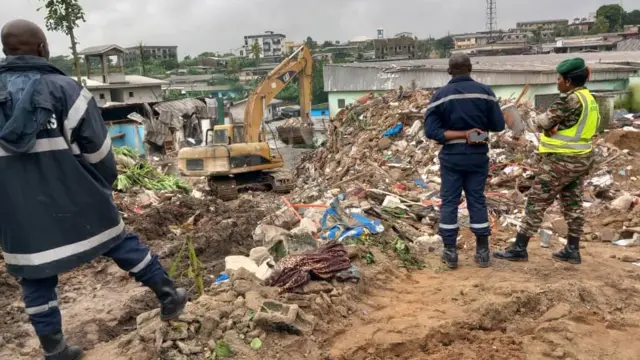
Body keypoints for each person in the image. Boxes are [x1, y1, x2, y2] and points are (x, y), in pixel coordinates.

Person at [0, 20, 188, 360]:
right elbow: (99, 151)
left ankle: (55, 349)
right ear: (42, 49)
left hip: (17, 210)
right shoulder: (66, 90)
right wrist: (102, 184)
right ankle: (169, 295)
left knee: (35, 275)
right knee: (117, 241)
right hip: (75, 194)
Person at [494, 58, 598, 265]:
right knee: (573, 203)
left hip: (562, 160)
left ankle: (519, 247)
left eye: (559, 79)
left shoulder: (570, 99)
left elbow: (544, 121)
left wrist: (533, 122)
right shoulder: (589, 99)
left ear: (568, 81)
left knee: (536, 201)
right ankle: (572, 249)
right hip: (581, 159)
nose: (557, 82)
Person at [425, 53, 506, 269]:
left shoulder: (440, 96)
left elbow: (431, 131)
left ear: (449, 71)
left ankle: (450, 252)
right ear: (470, 68)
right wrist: (473, 133)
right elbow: (498, 126)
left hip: (452, 157)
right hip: (478, 155)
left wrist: (460, 135)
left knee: (450, 201)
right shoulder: (486, 93)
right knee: (476, 199)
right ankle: (482, 252)